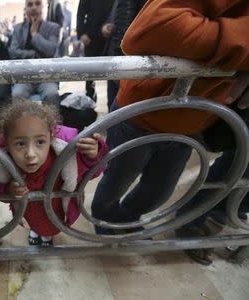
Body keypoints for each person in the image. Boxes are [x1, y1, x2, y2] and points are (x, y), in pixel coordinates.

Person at [91, 0, 249, 237]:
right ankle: (105, 225)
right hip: (138, 114)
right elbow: (153, 28)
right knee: (116, 181)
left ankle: (126, 218)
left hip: (190, 124)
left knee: (159, 191)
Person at [0, 99, 108, 246]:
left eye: (40, 142)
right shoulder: (2, 161)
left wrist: (92, 156)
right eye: (20, 143)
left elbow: (92, 174)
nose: (31, 154)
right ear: (6, 142)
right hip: (30, 210)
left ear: (51, 136)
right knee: (35, 223)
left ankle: (47, 236)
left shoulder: (65, 155)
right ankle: (36, 231)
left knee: (51, 227)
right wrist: (9, 190)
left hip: (56, 208)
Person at [9, 0, 61, 107]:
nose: (33, 7)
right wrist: (33, 54)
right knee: (17, 94)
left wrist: (35, 34)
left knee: (51, 94)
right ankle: (22, 124)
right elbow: (13, 52)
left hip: (47, 76)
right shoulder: (18, 29)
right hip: (24, 76)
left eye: (37, 4)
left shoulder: (53, 28)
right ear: (25, 9)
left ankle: (52, 124)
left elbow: (50, 51)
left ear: (43, 7)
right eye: (30, 4)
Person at [101, 0, 146, 110]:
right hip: (126, 55)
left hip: (124, 58)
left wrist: (119, 61)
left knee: (119, 110)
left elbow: (124, 23)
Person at [76, 0, 115, 100]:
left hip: (110, 37)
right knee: (89, 75)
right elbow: (81, 13)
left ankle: (112, 106)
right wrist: (82, 33)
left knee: (113, 74)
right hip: (91, 37)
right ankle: (89, 104)